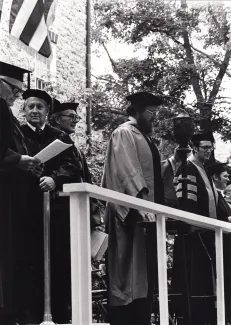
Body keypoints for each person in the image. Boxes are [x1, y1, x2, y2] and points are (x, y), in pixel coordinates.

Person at [101, 91, 165, 325]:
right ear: (138, 111)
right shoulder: (124, 133)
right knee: (127, 275)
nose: (154, 118)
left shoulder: (144, 137)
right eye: (152, 113)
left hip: (145, 218)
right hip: (131, 216)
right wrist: (142, 206)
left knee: (145, 277)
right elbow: (128, 173)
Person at [19, 89, 81, 324]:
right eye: (31, 106)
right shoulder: (17, 134)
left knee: (58, 265)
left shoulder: (60, 137)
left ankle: (60, 316)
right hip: (25, 211)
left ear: (47, 112)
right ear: (24, 110)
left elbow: (73, 166)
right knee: (28, 265)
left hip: (54, 211)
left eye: (40, 107)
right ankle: (29, 318)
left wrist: (55, 178)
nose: (35, 111)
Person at [48, 99, 101, 322]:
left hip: (76, 216)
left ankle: (72, 315)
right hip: (61, 216)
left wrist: (95, 217)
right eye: (71, 117)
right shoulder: (53, 143)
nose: (76, 121)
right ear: (56, 119)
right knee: (61, 269)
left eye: (76, 117)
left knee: (75, 269)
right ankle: (64, 316)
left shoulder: (71, 146)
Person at [0, 62, 44, 325]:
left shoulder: (7, 114)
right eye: (15, 91)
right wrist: (19, 160)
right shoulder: (0, 109)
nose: (17, 97)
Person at [171, 132, 218, 325]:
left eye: (211, 147)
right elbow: (185, 203)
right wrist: (193, 228)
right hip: (193, 237)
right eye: (205, 147)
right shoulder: (187, 168)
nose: (209, 151)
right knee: (193, 286)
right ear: (195, 147)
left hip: (206, 236)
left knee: (205, 286)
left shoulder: (203, 169)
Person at [206, 162, 231, 324]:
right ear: (215, 177)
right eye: (225, 176)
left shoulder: (220, 195)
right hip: (222, 248)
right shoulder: (214, 196)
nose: (228, 179)